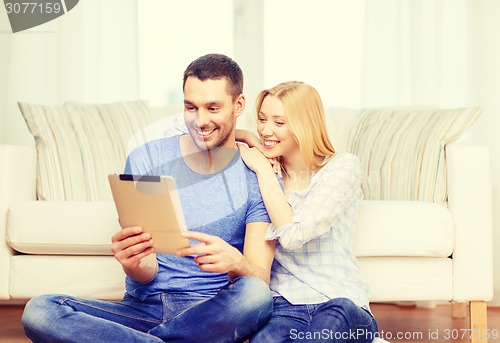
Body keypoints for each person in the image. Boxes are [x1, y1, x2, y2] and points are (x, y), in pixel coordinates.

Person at [21, 54, 275, 343]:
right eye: (191, 107)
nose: (200, 120)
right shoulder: (148, 158)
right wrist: (133, 263)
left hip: (210, 313)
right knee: (40, 310)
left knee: (256, 295)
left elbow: (259, 277)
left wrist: (236, 262)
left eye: (213, 108)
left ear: (238, 105)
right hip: (141, 311)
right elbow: (146, 272)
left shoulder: (256, 174)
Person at [237, 81, 379, 343]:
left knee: (326, 328)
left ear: (305, 125)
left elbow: (292, 235)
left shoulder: (342, 167)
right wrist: (247, 137)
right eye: (262, 119)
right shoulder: (267, 173)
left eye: (279, 123)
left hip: (338, 302)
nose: (266, 130)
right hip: (284, 306)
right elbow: (214, 136)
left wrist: (263, 170)